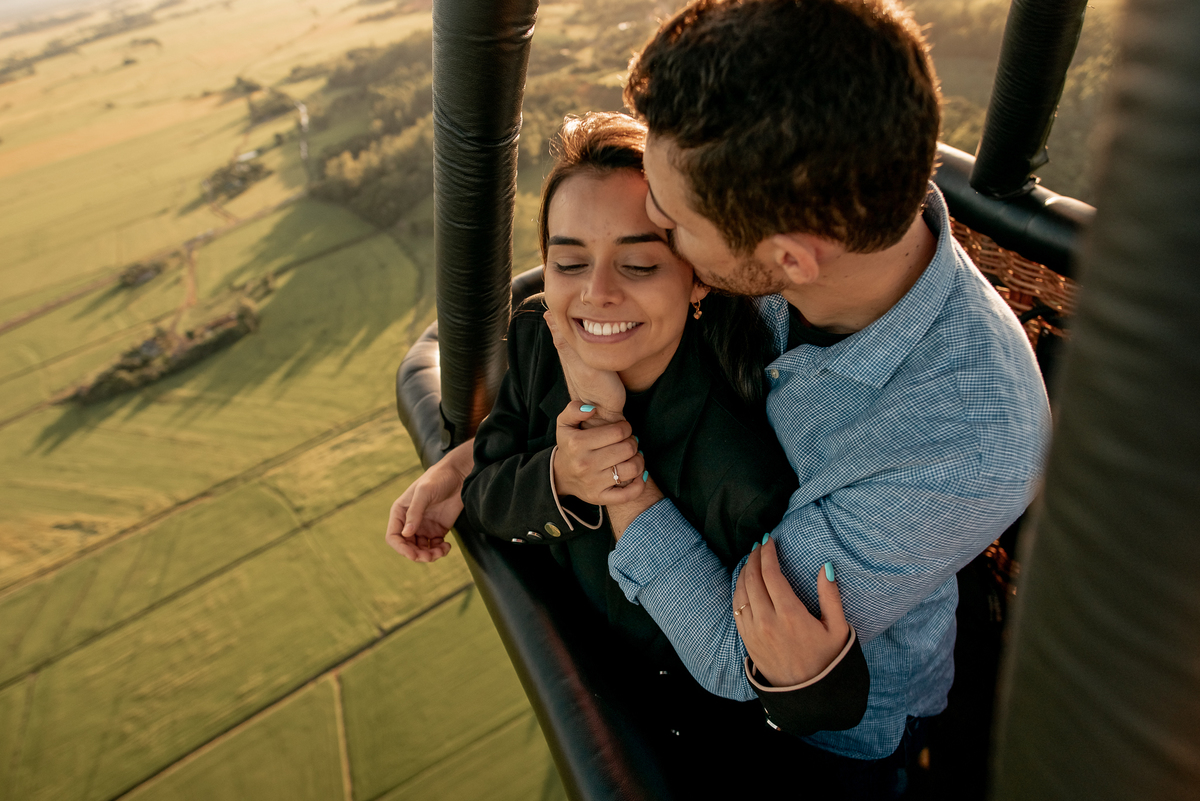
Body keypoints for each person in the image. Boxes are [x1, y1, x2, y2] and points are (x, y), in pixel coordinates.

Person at [572, 0, 1049, 794]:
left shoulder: (970, 440)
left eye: (673, 220)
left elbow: (736, 651)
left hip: (831, 743)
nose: (651, 221)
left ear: (791, 259)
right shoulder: (791, 238)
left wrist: (617, 478)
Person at [388, 113, 871, 791]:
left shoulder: (744, 468)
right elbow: (491, 482)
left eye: (639, 262)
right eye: (568, 260)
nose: (597, 293)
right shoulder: (536, 342)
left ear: (698, 278)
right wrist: (560, 473)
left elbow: (777, 685)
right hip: (593, 666)